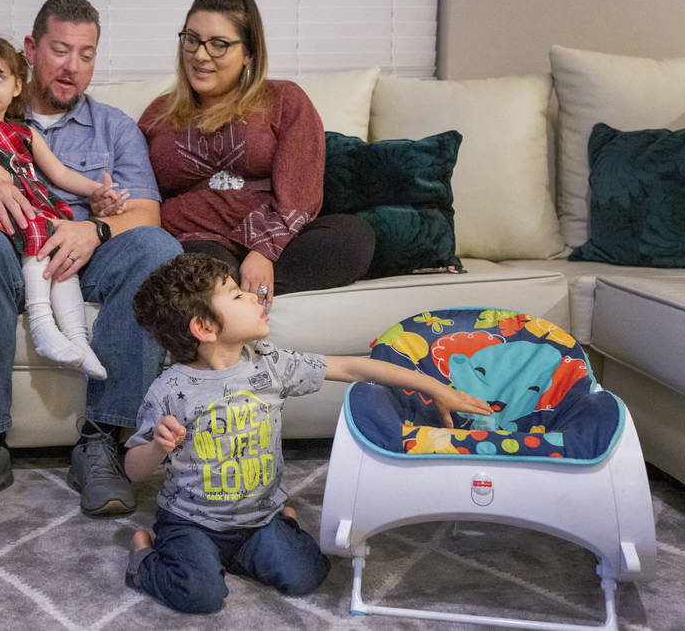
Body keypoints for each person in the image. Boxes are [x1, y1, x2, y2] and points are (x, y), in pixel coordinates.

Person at [0, 0, 181, 519]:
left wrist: (93, 228)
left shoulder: (114, 127)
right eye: (60, 50)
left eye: (86, 54)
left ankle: (103, 444)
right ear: (30, 51)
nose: (73, 67)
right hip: (5, 249)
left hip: (89, 257)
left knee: (158, 249)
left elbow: (147, 215)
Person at [124, 253, 492, 614]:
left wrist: (434, 387)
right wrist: (158, 446)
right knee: (200, 596)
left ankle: (264, 536)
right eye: (237, 295)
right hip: (190, 521)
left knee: (307, 576)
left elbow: (352, 368)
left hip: (259, 518)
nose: (254, 295)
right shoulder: (170, 390)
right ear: (204, 328)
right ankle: (144, 558)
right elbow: (134, 470)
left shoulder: (271, 365)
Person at [139, 0, 375, 311]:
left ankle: (231, 298)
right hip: (195, 241)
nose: (200, 55)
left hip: (278, 241)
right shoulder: (158, 114)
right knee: (204, 274)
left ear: (249, 52)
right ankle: (231, 295)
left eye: (219, 44)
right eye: (191, 40)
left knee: (353, 237)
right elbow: (136, 189)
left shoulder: (284, 100)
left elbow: (301, 192)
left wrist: (263, 250)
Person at [0, 37, 124, 379]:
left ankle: (78, 340)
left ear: (17, 86)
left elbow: (59, 173)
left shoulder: (24, 131)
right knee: (37, 234)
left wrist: (98, 191)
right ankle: (43, 326)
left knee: (61, 250)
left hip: (27, 207)